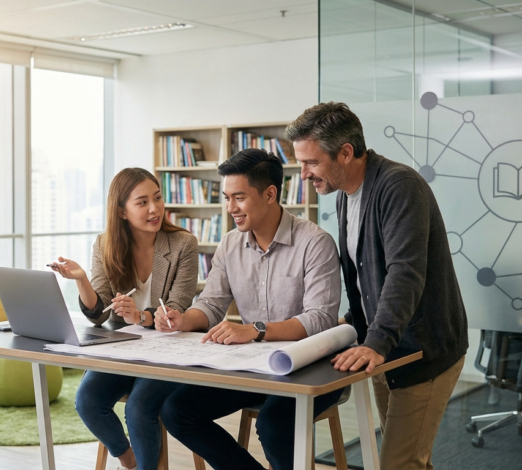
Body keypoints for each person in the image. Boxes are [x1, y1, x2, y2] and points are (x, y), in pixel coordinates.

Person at [285, 102, 469, 470]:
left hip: (423, 350)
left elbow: (405, 272)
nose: (303, 174)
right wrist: (351, 324)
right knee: (410, 459)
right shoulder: (344, 195)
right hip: (386, 347)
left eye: (311, 162)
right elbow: (362, 273)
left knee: (399, 463)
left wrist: (376, 341)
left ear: (346, 153)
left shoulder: (399, 186)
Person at [155, 149, 342, 470]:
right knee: (176, 410)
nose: (230, 209)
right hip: (252, 365)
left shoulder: (315, 243)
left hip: (311, 365)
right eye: (227, 198)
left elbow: (320, 319)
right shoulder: (230, 243)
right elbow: (212, 303)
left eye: (238, 198)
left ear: (270, 194)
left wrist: (255, 330)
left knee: (274, 425)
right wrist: (183, 319)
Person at [50, 167, 198, 470]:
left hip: (168, 350)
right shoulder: (104, 245)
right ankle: (129, 460)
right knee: (88, 401)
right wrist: (81, 280)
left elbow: (177, 310)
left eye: (157, 198)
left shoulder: (184, 244)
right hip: (124, 349)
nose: (155, 208)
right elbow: (98, 314)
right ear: (121, 212)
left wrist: (141, 316)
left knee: (139, 407)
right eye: (142, 202)